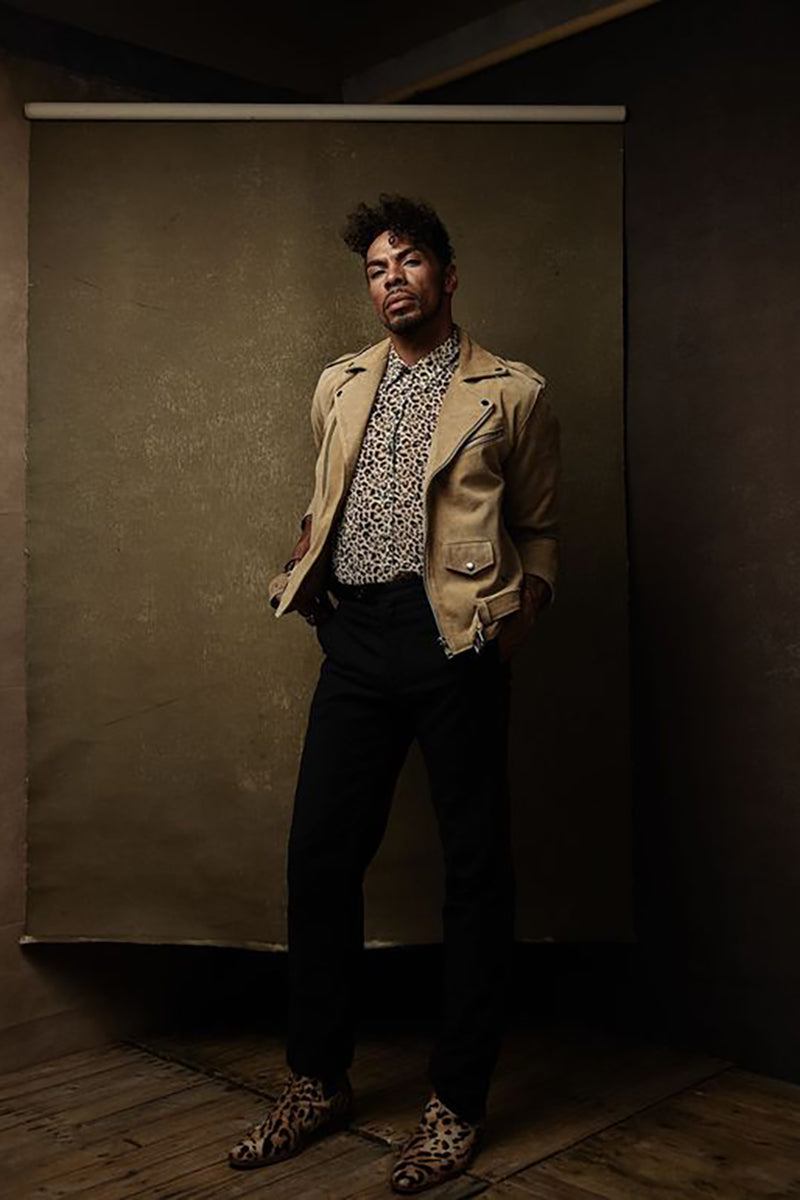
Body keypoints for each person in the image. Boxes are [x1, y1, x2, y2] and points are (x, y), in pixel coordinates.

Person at [229, 194, 560, 1193]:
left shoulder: (512, 393)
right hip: (357, 639)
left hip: (455, 636)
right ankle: (317, 1081)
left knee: (474, 872)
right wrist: (307, 565)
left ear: (446, 276)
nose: (391, 280)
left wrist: (519, 617)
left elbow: (539, 530)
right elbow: (325, 494)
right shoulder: (338, 382)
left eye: (408, 261)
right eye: (376, 268)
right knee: (320, 857)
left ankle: (456, 1104)